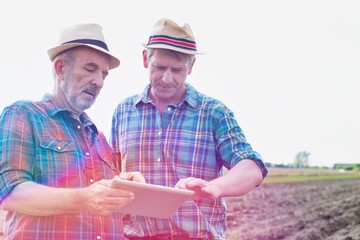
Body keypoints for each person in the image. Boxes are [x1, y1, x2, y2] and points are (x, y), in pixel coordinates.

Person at [110, 18, 268, 240]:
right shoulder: (123, 112)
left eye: (177, 70)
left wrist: (215, 187)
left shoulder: (213, 112)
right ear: (145, 59)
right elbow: (110, 175)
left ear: (191, 67)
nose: (167, 78)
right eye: (160, 67)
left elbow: (252, 168)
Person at [0, 23, 144, 240]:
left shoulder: (99, 138)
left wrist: (127, 190)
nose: (99, 81)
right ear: (60, 68)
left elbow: (111, 211)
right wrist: (85, 198)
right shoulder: (22, 114)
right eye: (90, 69)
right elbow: (9, 193)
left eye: (104, 74)